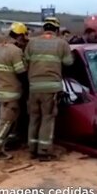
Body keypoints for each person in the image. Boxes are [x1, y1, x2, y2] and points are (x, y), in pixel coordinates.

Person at [25, 17, 74, 161]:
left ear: (43, 28)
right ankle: (44, 151)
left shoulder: (32, 42)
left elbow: (25, 61)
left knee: (34, 117)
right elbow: (68, 62)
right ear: (57, 30)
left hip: (34, 86)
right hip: (51, 87)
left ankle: (32, 149)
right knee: (47, 118)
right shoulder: (61, 43)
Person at [0, 22, 29, 160]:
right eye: (24, 36)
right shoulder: (15, 52)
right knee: (6, 121)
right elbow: (21, 73)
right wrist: (28, 88)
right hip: (12, 93)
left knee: (3, 118)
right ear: (21, 35)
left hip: (0, 91)